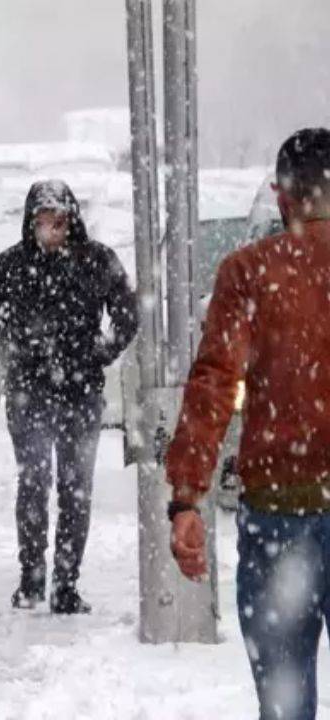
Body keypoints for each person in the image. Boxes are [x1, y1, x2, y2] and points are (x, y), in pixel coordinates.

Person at [168, 128, 330, 720]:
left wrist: (187, 496)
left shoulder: (250, 272)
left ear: (281, 195)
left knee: (285, 704)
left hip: (280, 512)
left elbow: (213, 383)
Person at [0, 180, 138, 614]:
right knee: (33, 482)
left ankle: (66, 582)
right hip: (29, 393)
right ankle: (31, 576)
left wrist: (102, 351)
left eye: (59, 222)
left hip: (80, 392)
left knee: (75, 488)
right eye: (44, 223)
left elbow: (126, 313)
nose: (52, 231)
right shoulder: (10, 266)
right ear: (31, 224)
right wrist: (15, 354)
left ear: (72, 221)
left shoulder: (96, 261)